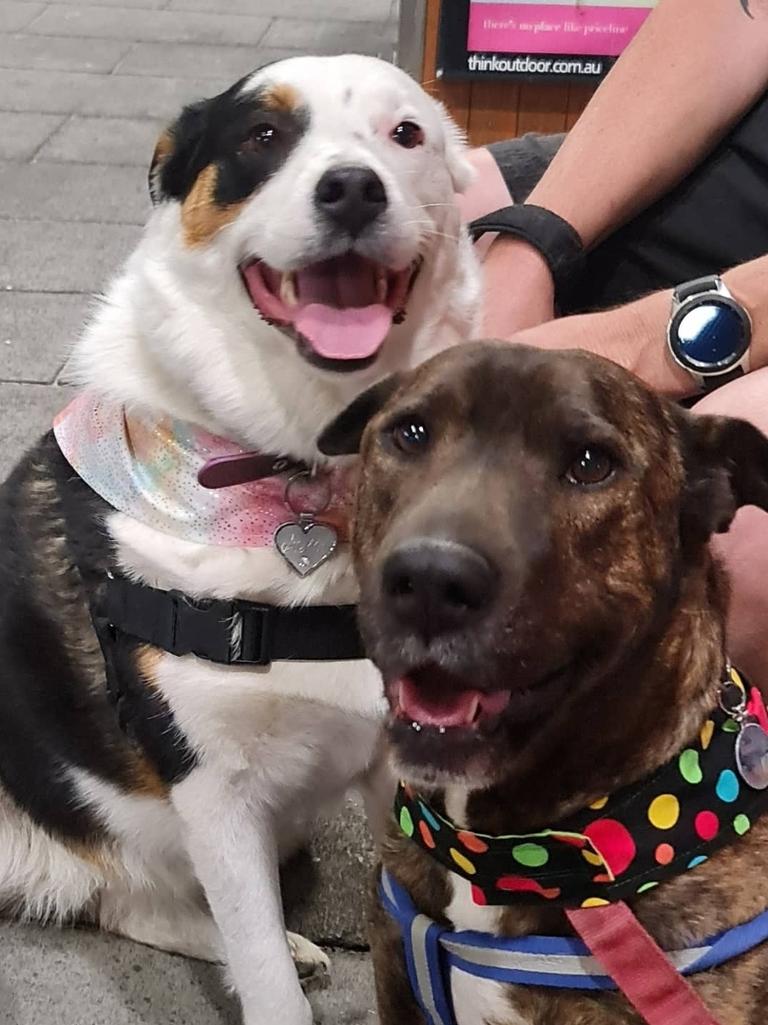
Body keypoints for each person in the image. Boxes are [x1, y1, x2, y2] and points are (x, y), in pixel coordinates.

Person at [457, 0, 768, 681]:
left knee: (732, 530)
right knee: (383, 237)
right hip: (724, 162)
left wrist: (635, 346)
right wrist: (533, 242)